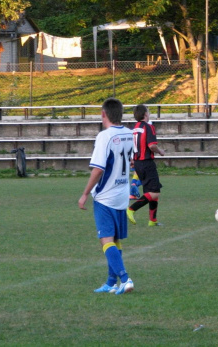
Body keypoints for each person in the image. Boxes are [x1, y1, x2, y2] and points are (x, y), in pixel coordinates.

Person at [78, 98, 135, 295]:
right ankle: (111, 282)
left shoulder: (104, 136)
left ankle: (125, 279)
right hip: (122, 193)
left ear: (104, 114)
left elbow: (98, 169)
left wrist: (85, 193)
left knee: (106, 239)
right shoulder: (129, 133)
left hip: (105, 196)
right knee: (115, 240)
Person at [127, 104, 166, 227]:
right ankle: (131, 209)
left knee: (151, 192)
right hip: (146, 162)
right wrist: (160, 151)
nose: (149, 115)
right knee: (154, 192)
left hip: (138, 163)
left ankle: (152, 220)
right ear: (145, 114)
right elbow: (151, 146)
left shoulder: (135, 128)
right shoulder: (149, 127)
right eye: (148, 112)